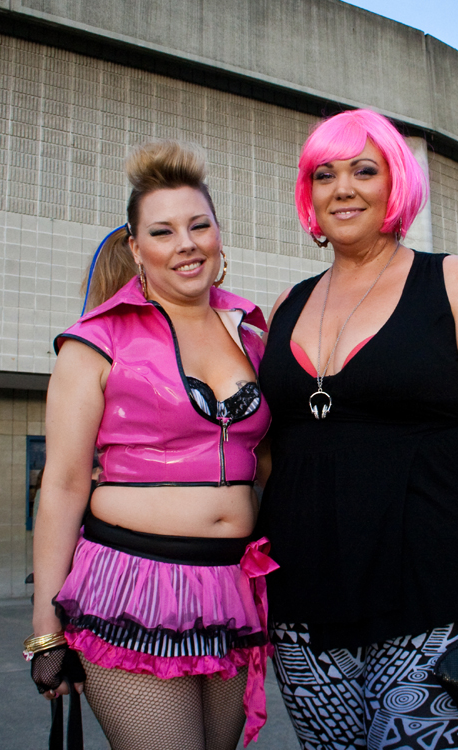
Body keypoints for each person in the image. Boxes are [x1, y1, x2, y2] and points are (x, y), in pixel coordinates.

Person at [255, 109, 458, 750]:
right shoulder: (288, 304)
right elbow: (270, 454)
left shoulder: (453, 282)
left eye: (364, 170)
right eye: (324, 174)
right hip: (305, 605)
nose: (343, 188)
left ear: (396, 184)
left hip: (438, 598)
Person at [29, 140, 277, 750]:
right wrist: (44, 628)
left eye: (199, 225)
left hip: (231, 586)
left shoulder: (252, 331)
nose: (186, 244)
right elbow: (63, 484)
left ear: (219, 234)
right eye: (163, 232)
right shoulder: (95, 340)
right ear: (137, 249)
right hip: (131, 583)